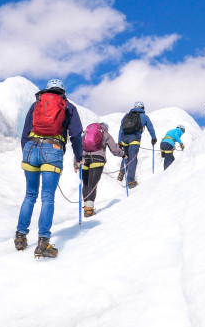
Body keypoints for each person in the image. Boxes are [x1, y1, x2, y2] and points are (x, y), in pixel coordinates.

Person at [14, 79, 83, 258]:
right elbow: (76, 135)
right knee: (47, 197)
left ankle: (20, 237)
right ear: (63, 91)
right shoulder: (69, 107)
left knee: (30, 195)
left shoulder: (37, 103)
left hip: (30, 148)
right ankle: (43, 243)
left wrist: (27, 151)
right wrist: (79, 157)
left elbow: (25, 132)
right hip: (53, 149)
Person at [82, 122, 125, 217]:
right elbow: (114, 149)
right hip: (98, 159)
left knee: (86, 183)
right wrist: (122, 154)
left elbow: (80, 147)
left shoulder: (87, 132)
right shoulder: (104, 132)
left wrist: (76, 162)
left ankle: (86, 207)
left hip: (84, 159)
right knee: (93, 184)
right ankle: (89, 210)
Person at [117, 101, 156, 188]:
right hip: (134, 139)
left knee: (126, 157)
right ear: (143, 108)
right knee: (133, 159)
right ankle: (130, 181)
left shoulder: (127, 115)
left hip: (124, 139)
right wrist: (153, 138)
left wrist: (119, 141)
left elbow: (121, 129)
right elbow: (150, 128)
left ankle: (121, 173)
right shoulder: (144, 116)